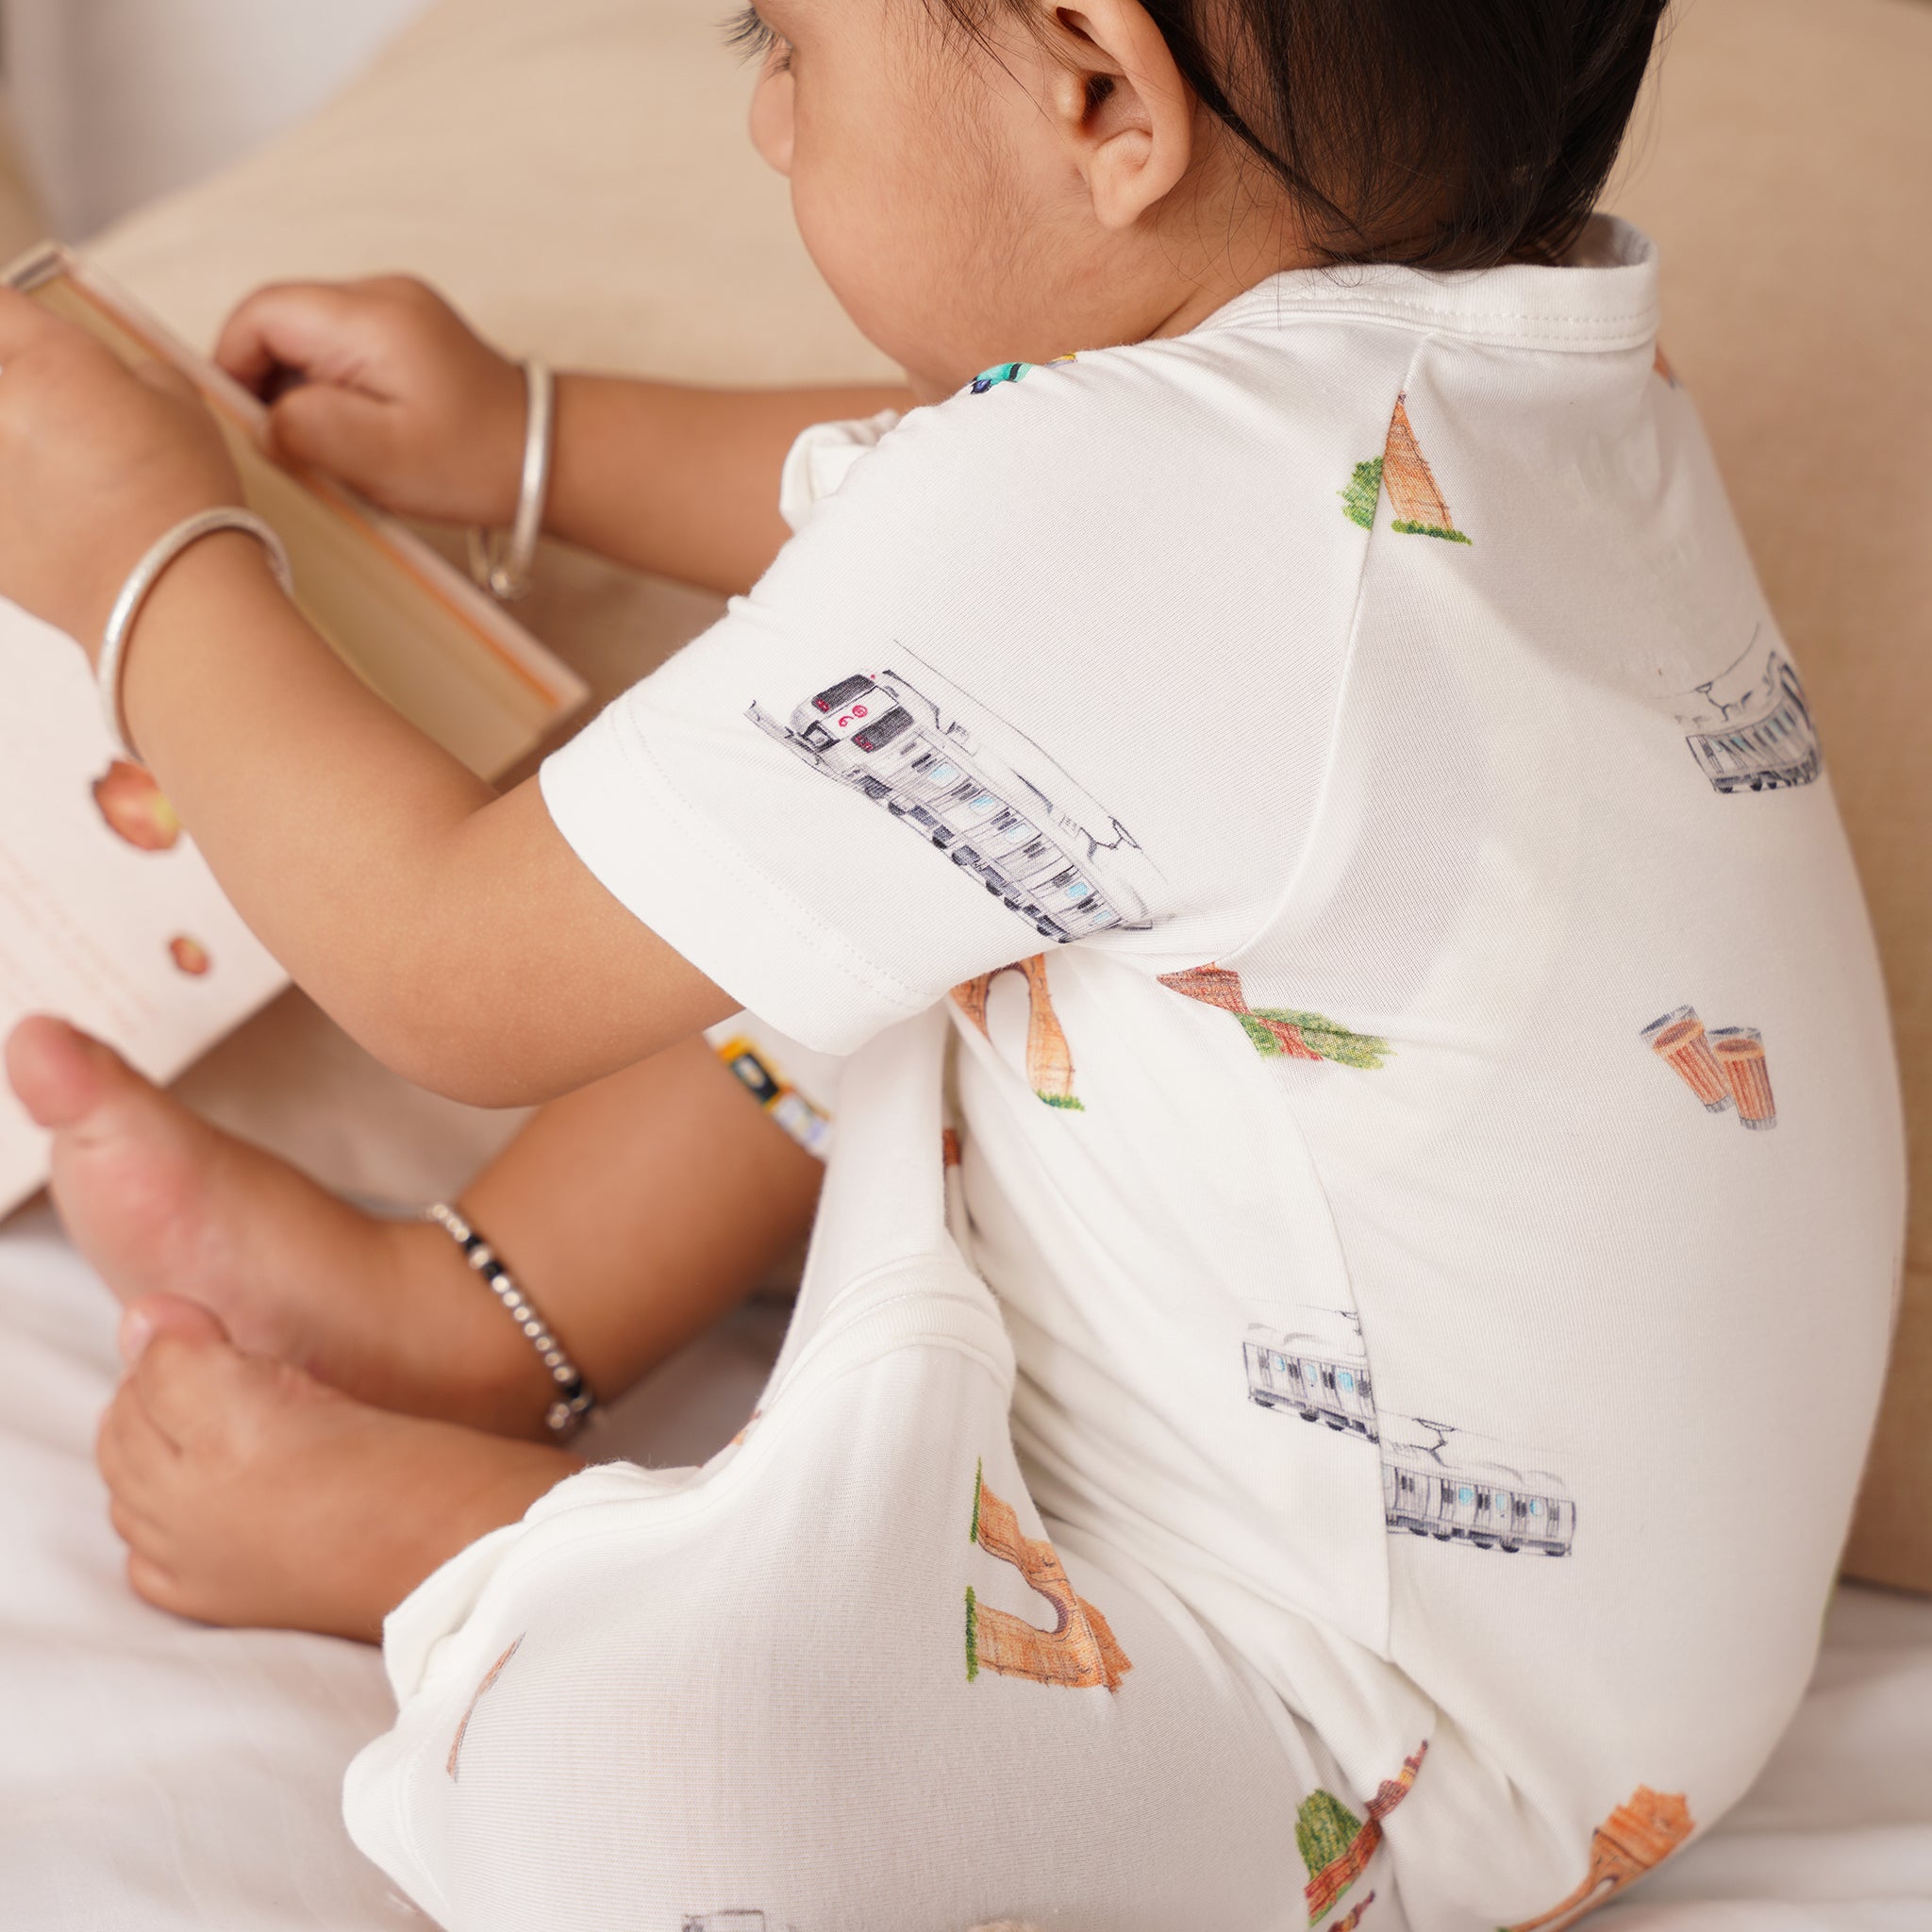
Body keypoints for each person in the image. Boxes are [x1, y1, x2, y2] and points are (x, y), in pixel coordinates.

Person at [0, 0, 1905, 1924]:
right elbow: (944, 501)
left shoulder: (1126, 522)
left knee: (685, 1790)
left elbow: (443, 964)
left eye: (787, 47)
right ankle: (450, 1319)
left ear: (1100, 96)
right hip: (1610, 1662)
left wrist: (147, 547)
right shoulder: (1519, 375)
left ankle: (470, 1531)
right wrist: (531, 438)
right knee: (856, 812)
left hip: (1351, 1738)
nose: (764, 120)